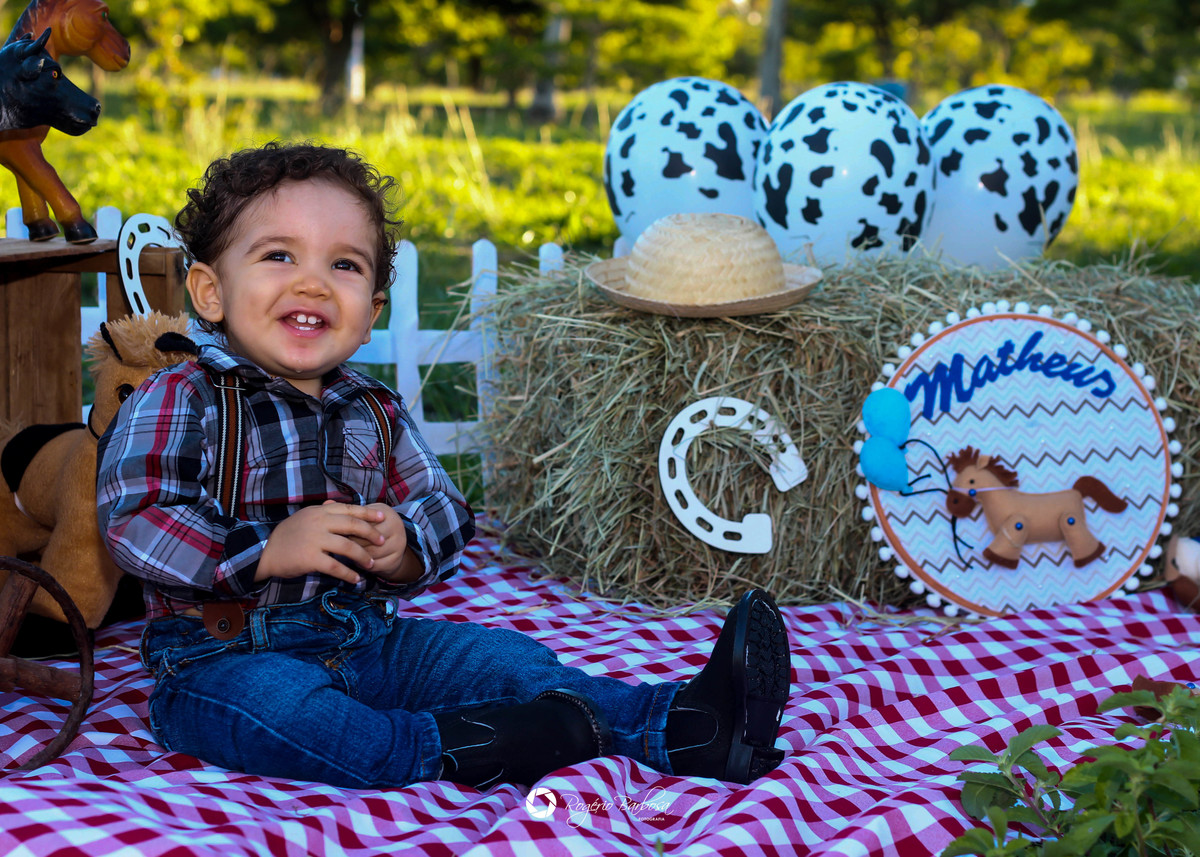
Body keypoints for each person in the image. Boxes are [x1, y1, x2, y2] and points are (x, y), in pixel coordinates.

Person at [96, 141, 791, 791]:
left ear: (368, 314)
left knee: (506, 660)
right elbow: (134, 517)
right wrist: (269, 548)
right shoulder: (185, 396)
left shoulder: (372, 407)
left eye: (343, 265)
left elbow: (444, 508)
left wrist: (403, 548)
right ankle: (449, 746)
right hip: (223, 657)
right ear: (210, 292)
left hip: (365, 639)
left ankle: (682, 724)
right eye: (279, 255)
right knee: (297, 716)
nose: (312, 282)